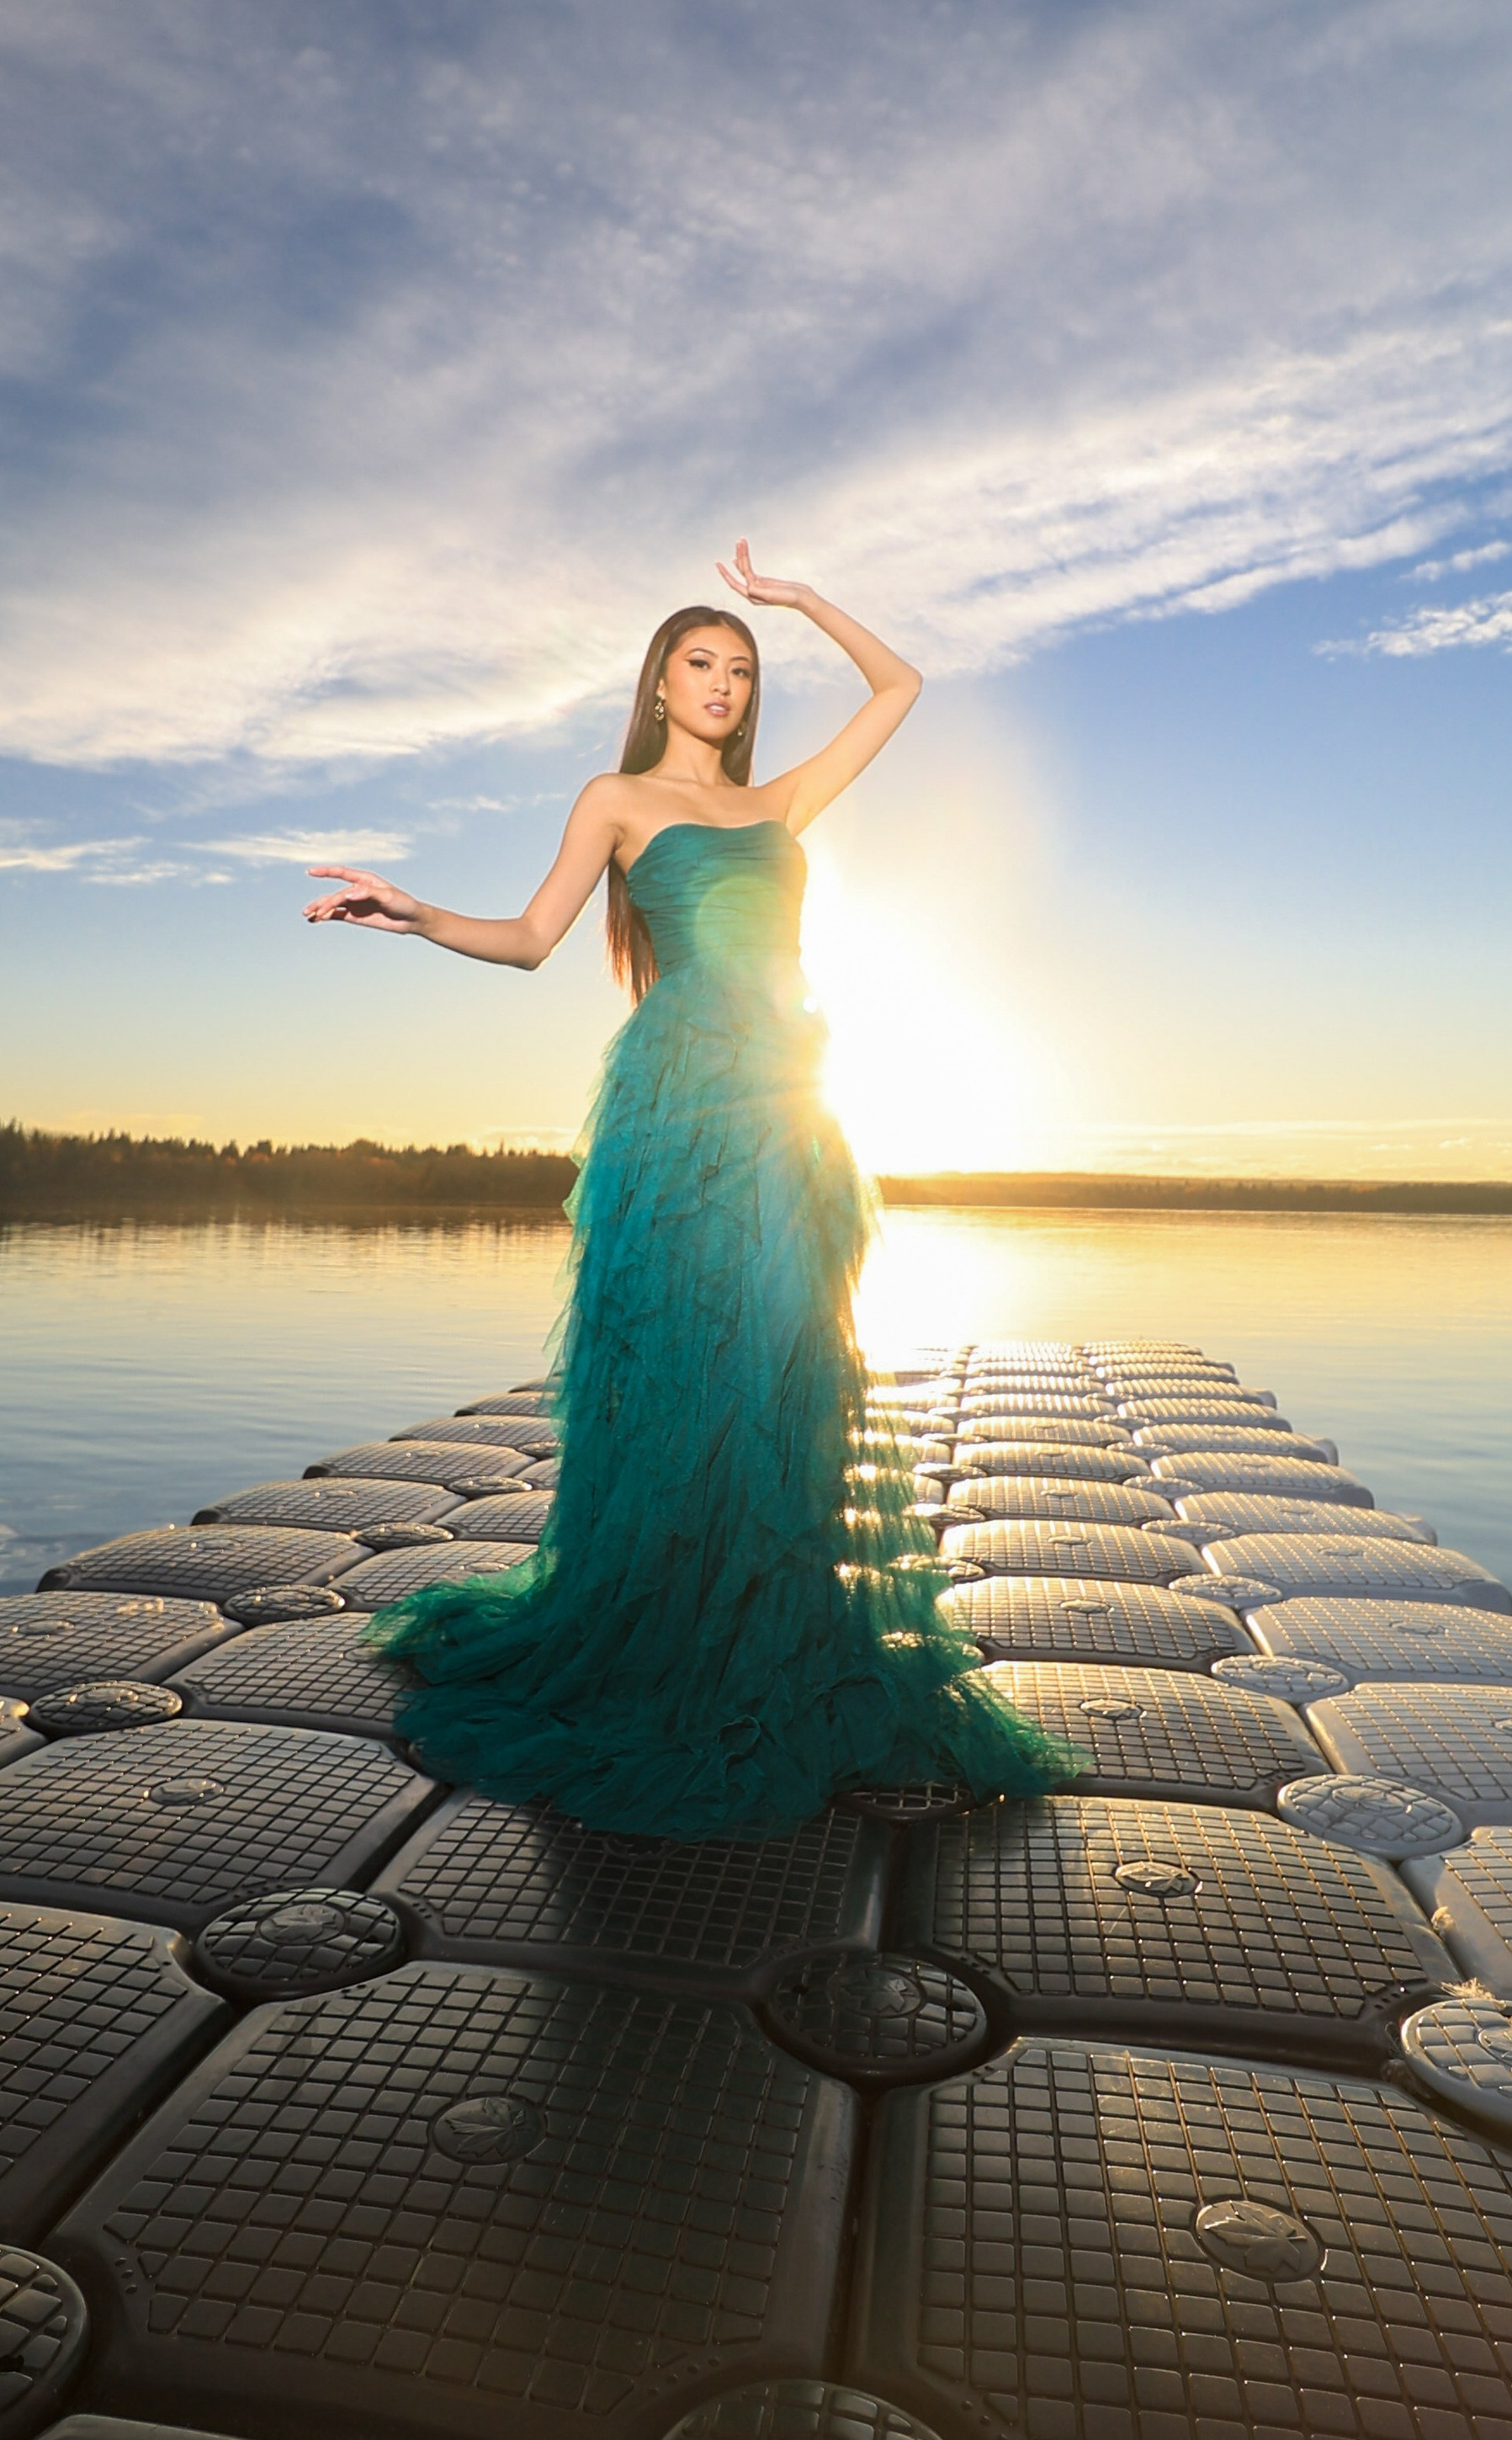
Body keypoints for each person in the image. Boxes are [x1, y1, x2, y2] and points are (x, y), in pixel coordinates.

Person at [303, 540, 1059, 1837]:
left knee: (784, 1364)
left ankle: (773, 1625)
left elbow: (903, 686)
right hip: (677, 1101)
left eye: (738, 669)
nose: (719, 683)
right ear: (658, 685)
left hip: (788, 1100)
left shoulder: (779, 806)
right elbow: (536, 939)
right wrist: (416, 912)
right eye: (698, 663)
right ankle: (667, 1638)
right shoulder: (615, 798)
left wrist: (806, 601)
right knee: (683, 1364)